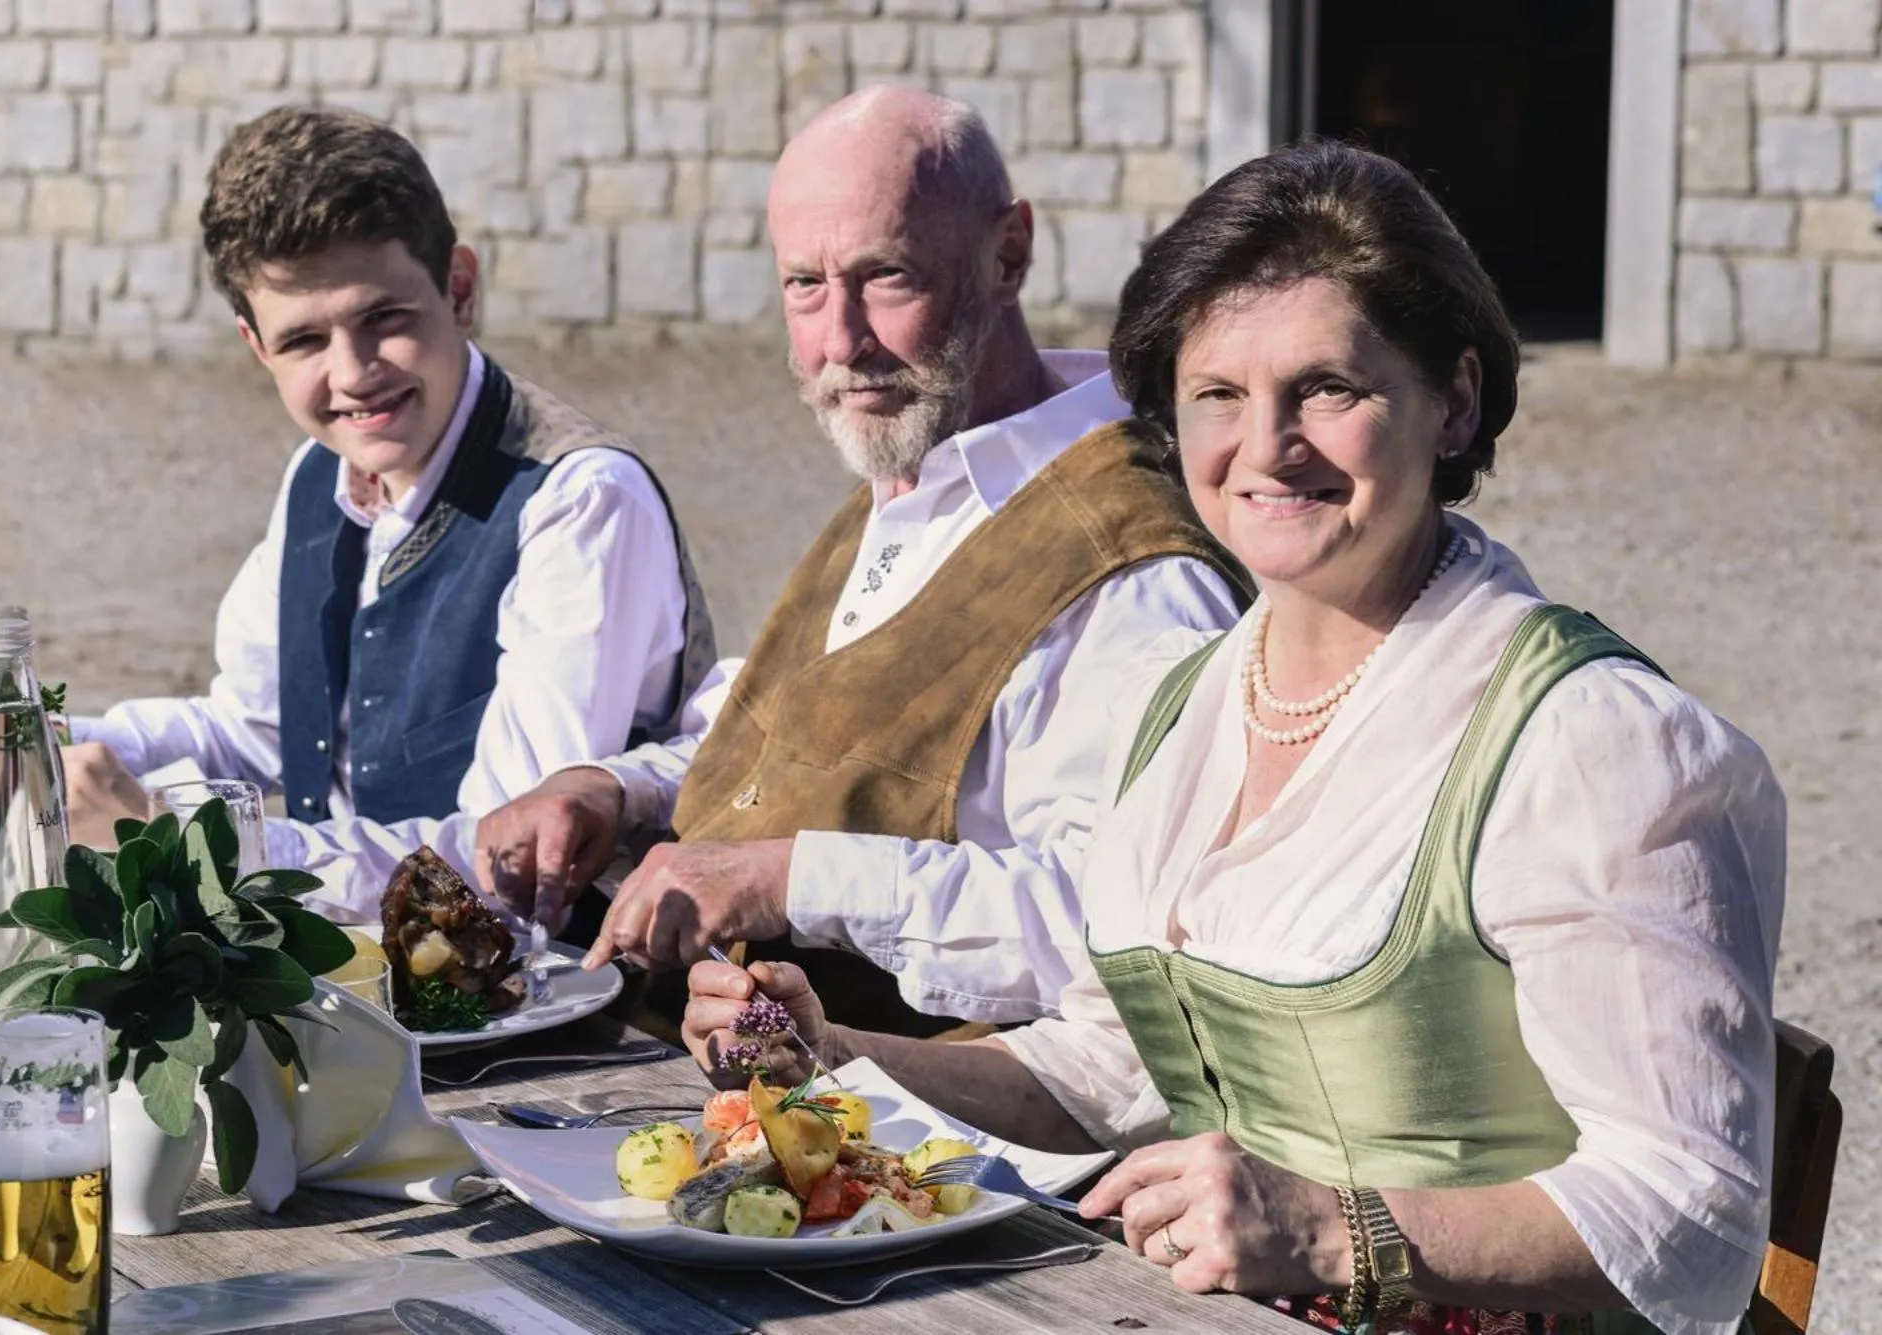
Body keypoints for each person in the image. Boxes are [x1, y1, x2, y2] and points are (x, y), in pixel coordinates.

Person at [680, 139, 1785, 1335]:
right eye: (1217, 394)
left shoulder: (1588, 747)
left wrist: (1326, 1228)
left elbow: (1693, 1215)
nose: (1265, 447)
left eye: (1328, 388)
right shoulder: (1195, 699)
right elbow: (1112, 1069)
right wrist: (838, 1056)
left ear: (1452, 398)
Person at [474, 86, 1251, 1037]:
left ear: (1008, 254)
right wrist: (614, 791)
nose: (842, 342)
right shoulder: (920, 459)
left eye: (888, 277)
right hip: (724, 1089)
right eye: (805, 285)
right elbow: (797, 747)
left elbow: (1113, 924)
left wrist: (789, 878)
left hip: (937, 1160)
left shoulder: (1132, 563)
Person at [60, 106, 714, 922]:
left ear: (460, 289)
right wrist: (47, 744)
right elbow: (256, 729)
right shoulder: (317, 472)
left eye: (385, 318)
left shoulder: (581, 500)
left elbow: (500, 867)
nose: (354, 373)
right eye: (303, 341)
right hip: (359, 981)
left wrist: (179, 846)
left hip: (562, 1019)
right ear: (255, 346)